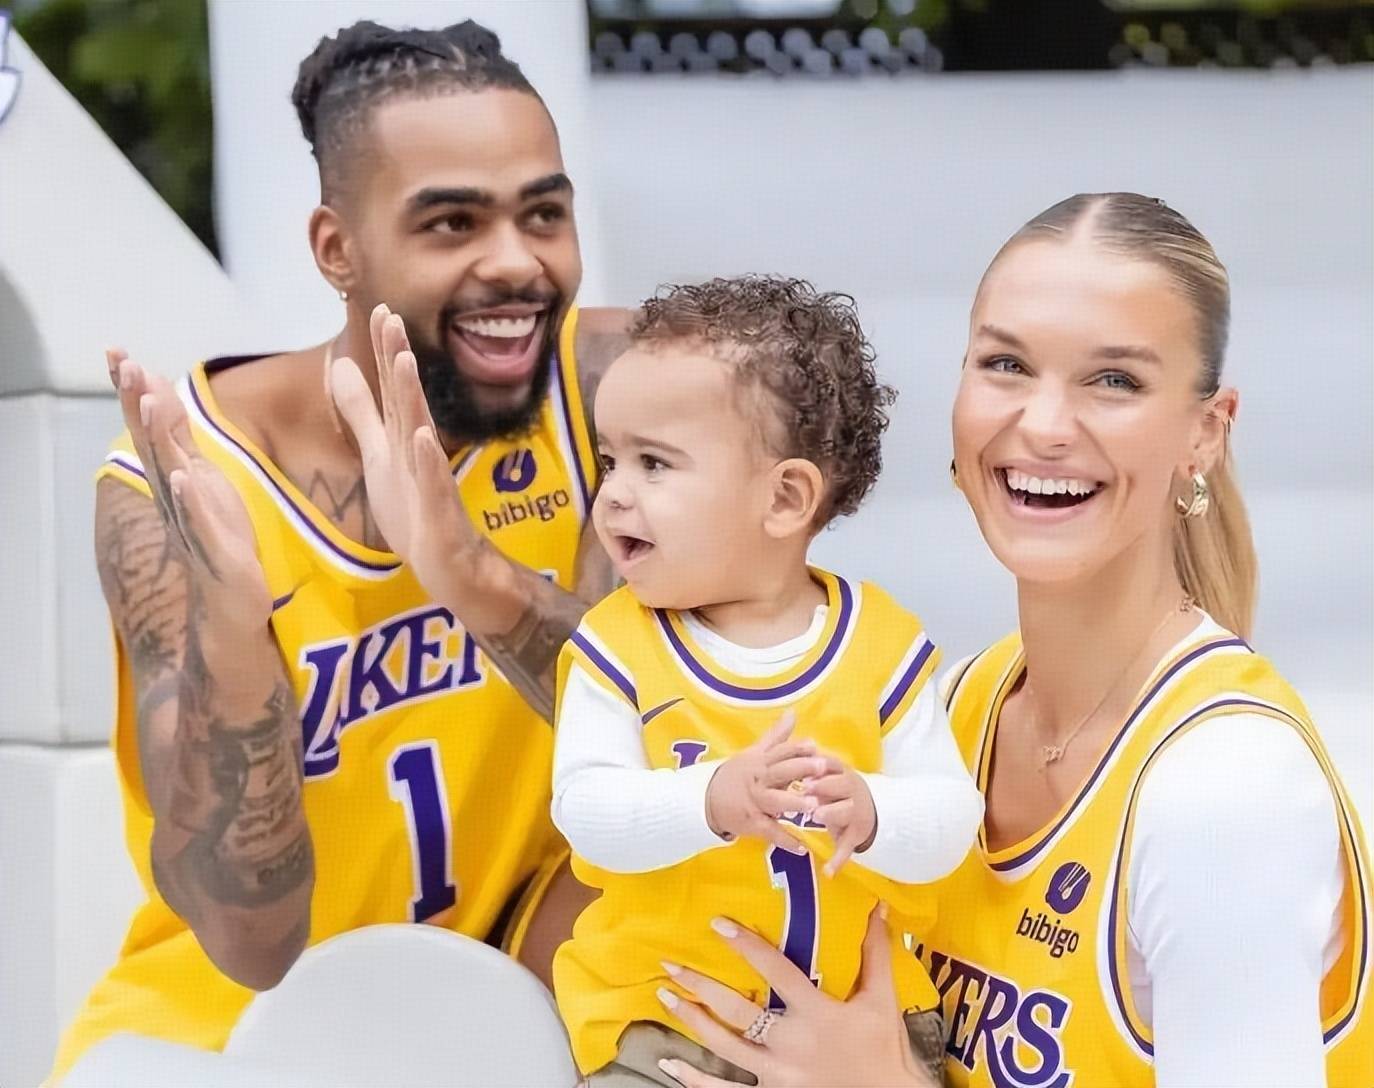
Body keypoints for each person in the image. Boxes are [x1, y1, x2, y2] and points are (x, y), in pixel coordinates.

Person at [653, 194, 1373, 1088]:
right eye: (1006, 364)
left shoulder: (1225, 792)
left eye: (1115, 381)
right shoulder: (956, 708)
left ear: (1205, 434)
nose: (1044, 425)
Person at [53, 19, 626, 1081]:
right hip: (228, 1040)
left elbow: (706, 741)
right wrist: (235, 645)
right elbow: (250, 940)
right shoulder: (182, 486)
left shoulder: (617, 392)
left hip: (510, 1014)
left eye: (544, 212)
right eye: (452, 222)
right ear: (336, 248)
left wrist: (471, 574)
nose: (517, 260)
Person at [547, 277, 983, 1085]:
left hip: (868, 1034)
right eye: (610, 461)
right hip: (663, 1030)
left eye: (653, 463)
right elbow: (585, 812)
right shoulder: (616, 648)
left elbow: (953, 819)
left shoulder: (883, 646)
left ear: (784, 497)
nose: (613, 494)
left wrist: (875, 810)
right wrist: (710, 800)